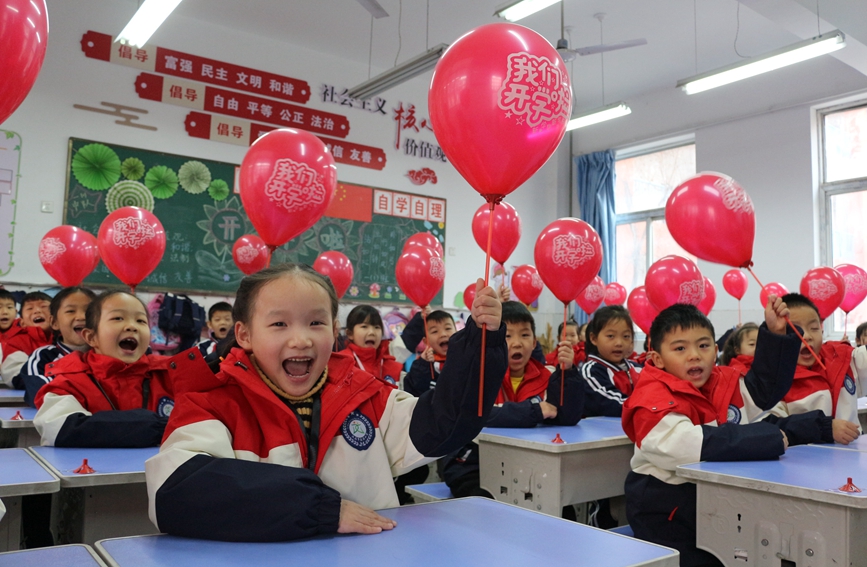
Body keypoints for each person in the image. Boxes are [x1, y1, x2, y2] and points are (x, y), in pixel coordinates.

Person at [145, 264, 508, 542]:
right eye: (279, 325)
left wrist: (480, 346)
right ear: (244, 334)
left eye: (316, 322)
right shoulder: (210, 404)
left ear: (334, 332)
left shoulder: (367, 396)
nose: (301, 339)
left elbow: (443, 426)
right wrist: (320, 510)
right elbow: (177, 492)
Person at [622, 301, 798, 567]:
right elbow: (687, 447)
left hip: (714, 500)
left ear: (716, 351)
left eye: (703, 346)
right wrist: (767, 437)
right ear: (657, 359)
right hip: (665, 509)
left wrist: (776, 335)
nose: (694, 355)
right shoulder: (651, 397)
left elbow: (764, 389)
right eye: (680, 348)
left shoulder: (722, 381)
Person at [440, 301, 583, 500]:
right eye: (508, 335)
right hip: (473, 462)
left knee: (556, 504)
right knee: (484, 502)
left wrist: (568, 373)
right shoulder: (480, 376)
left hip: (527, 464)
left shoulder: (548, 376)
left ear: (534, 342)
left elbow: (567, 417)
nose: (517, 343)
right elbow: (481, 415)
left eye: (525, 335)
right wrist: (534, 411)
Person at [33, 291, 174, 447]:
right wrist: (158, 426)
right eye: (118, 318)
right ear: (91, 337)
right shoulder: (69, 382)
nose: (132, 326)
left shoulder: (172, 374)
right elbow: (59, 427)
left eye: (141, 320)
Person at [759, 293, 864, 445]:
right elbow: (769, 428)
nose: (806, 336)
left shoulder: (843, 357)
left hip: (850, 460)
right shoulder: (771, 380)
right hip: (802, 464)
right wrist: (824, 428)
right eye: (796, 329)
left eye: (814, 328)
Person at [18, 287, 95, 407]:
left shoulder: (109, 355)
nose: (81, 317)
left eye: (88, 311)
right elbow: (44, 398)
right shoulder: (42, 358)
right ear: (54, 322)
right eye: (70, 311)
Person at [580, 306, 642, 417]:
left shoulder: (638, 368)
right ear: (594, 338)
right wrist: (648, 407)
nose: (619, 343)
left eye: (626, 336)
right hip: (603, 432)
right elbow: (609, 403)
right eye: (610, 336)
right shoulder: (591, 371)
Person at [339, 305, 405, 387]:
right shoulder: (342, 363)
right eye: (364, 326)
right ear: (350, 333)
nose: (372, 332)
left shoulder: (393, 367)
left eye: (377, 327)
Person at [1, 291, 53, 385]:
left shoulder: (66, 338)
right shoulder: (16, 342)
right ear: (22, 322)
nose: (37, 310)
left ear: (56, 316)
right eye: (29, 308)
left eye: (43, 306)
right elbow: (16, 375)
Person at [403, 310, 456, 397]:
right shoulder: (421, 365)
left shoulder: (464, 359)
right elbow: (412, 391)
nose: (443, 334)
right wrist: (423, 365)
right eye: (435, 331)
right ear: (425, 341)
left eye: (448, 328)